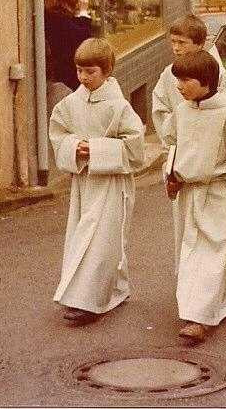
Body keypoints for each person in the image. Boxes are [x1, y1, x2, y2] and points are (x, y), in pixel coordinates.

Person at [163, 51, 226, 344]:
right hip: (188, 193)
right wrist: (171, 175)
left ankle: (199, 318)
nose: (179, 86)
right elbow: (173, 145)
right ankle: (222, 300)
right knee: (193, 250)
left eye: (186, 80)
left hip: (215, 192)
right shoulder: (181, 112)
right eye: (177, 79)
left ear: (207, 82)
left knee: (210, 251)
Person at [49, 38, 146, 325]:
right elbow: (58, 133)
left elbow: (134, 145)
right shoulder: (69, 104)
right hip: (84, 182)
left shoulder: (119, 107)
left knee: (102, 239)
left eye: (91, 71)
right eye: (80, 71)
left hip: (111, 182)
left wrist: (97, 150)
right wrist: (73, 146)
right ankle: (113, 288)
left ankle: (89, 301)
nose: (83, 77)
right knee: (84, 235)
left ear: (106, 71)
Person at [152, 15, 226, 147]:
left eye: (181, 42)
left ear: (199, 44)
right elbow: (160, 106)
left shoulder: (215, 71)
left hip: (210, 141)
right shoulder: (168, 73)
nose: (175, 48)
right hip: (180, 141)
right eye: (173, 42)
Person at [44, 0, 93, 95]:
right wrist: (83, 12)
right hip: (66, 76)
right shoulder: (59, 21)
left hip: (61, 72)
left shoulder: (52, 16)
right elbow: (84, 40)